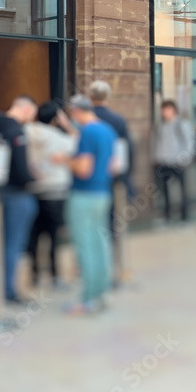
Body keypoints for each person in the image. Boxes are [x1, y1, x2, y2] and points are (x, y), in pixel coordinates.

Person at [60, 95, 118, 315]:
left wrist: (65, 160)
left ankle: (87, 299)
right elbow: (113, 166)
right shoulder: (107, 131)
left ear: (76, 111)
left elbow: (84, 168)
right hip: (103, 193)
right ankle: (101, 294)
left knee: (85, 247)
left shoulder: (86, 133)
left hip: (84, 195)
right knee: (100, 244)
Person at [0, 96, 38, 302]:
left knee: (3, 243)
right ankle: (9, 290)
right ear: (26, 109)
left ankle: (4, 287)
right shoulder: (16, 132)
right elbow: (19, 170)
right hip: (17, 193)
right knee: (14, 244)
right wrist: (32, 177)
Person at [24, 102, 77, 290]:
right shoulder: (58, 138)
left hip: (33, 189)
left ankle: (34, 273)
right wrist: (67, 124)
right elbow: (78, 142)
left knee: (35, 235)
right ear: (56, 119)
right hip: (55, 191)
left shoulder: (28, 131)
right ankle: (55, 275)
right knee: (54, 236)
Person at [89, 80, 133, 283]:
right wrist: (123, 178)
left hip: (90, 181)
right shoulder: (118, 120)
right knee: (112, 222)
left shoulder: (88, 120)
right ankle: (115, 264)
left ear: (91, 97)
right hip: (113, 180)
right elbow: (125, 150)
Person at [153, 99, 196, 224]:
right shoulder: (161, 126)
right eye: (162, 109)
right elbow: (159, 143)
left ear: (173, 110)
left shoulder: (182, 124)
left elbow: (190, 143)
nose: (163, 112)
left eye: (166, 109)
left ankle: (184, 217)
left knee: (182, 190)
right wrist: (157, 158)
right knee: (165, 190)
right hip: (164, 162)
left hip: (178, 162)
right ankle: (167, 216)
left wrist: (183, 159)